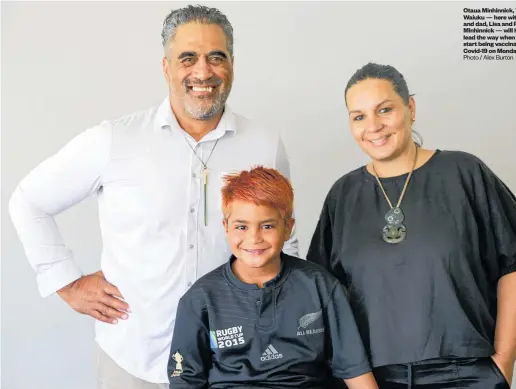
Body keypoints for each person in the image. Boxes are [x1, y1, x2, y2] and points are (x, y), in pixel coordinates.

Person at [8, 5, 298, 389]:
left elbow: (285, 241)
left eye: (217, 57)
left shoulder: (264, 144)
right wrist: (66, 283)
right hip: (134, 362)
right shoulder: (114, 140)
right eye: (188, 58)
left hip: (235, 365)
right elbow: (29, 200)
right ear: (166, 68)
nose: (203, 71)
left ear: (232, 64)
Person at [307, 62, 516, 389]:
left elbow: (515, 264)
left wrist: (504, 361)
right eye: (358, 116)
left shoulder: (464, 173)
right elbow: (326, 299)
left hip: (467, 373)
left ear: (410, 108)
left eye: (384, 110)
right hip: (374, 378)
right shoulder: (343, 196)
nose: (373, 126)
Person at [168, 166, 379, 389]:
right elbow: (185, 380)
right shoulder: (200, 299)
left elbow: (354, 369)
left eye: (267, 226)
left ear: (288, 228)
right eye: (241, 226)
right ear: (226, 227)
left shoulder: (320, 285)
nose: (254, 238)